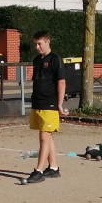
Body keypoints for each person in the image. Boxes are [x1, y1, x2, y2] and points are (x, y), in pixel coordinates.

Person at [25, 30, 68, 183]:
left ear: (47, 42)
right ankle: (54, 168)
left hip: (49, 103)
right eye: (35, 44)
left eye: (39, 44)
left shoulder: (55, 59)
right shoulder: (37, 60)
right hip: (37, 103)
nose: (37, 47)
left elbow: (61, 82)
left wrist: (60, 104)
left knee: (44, 137)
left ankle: (38, 171)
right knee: (46, 137)